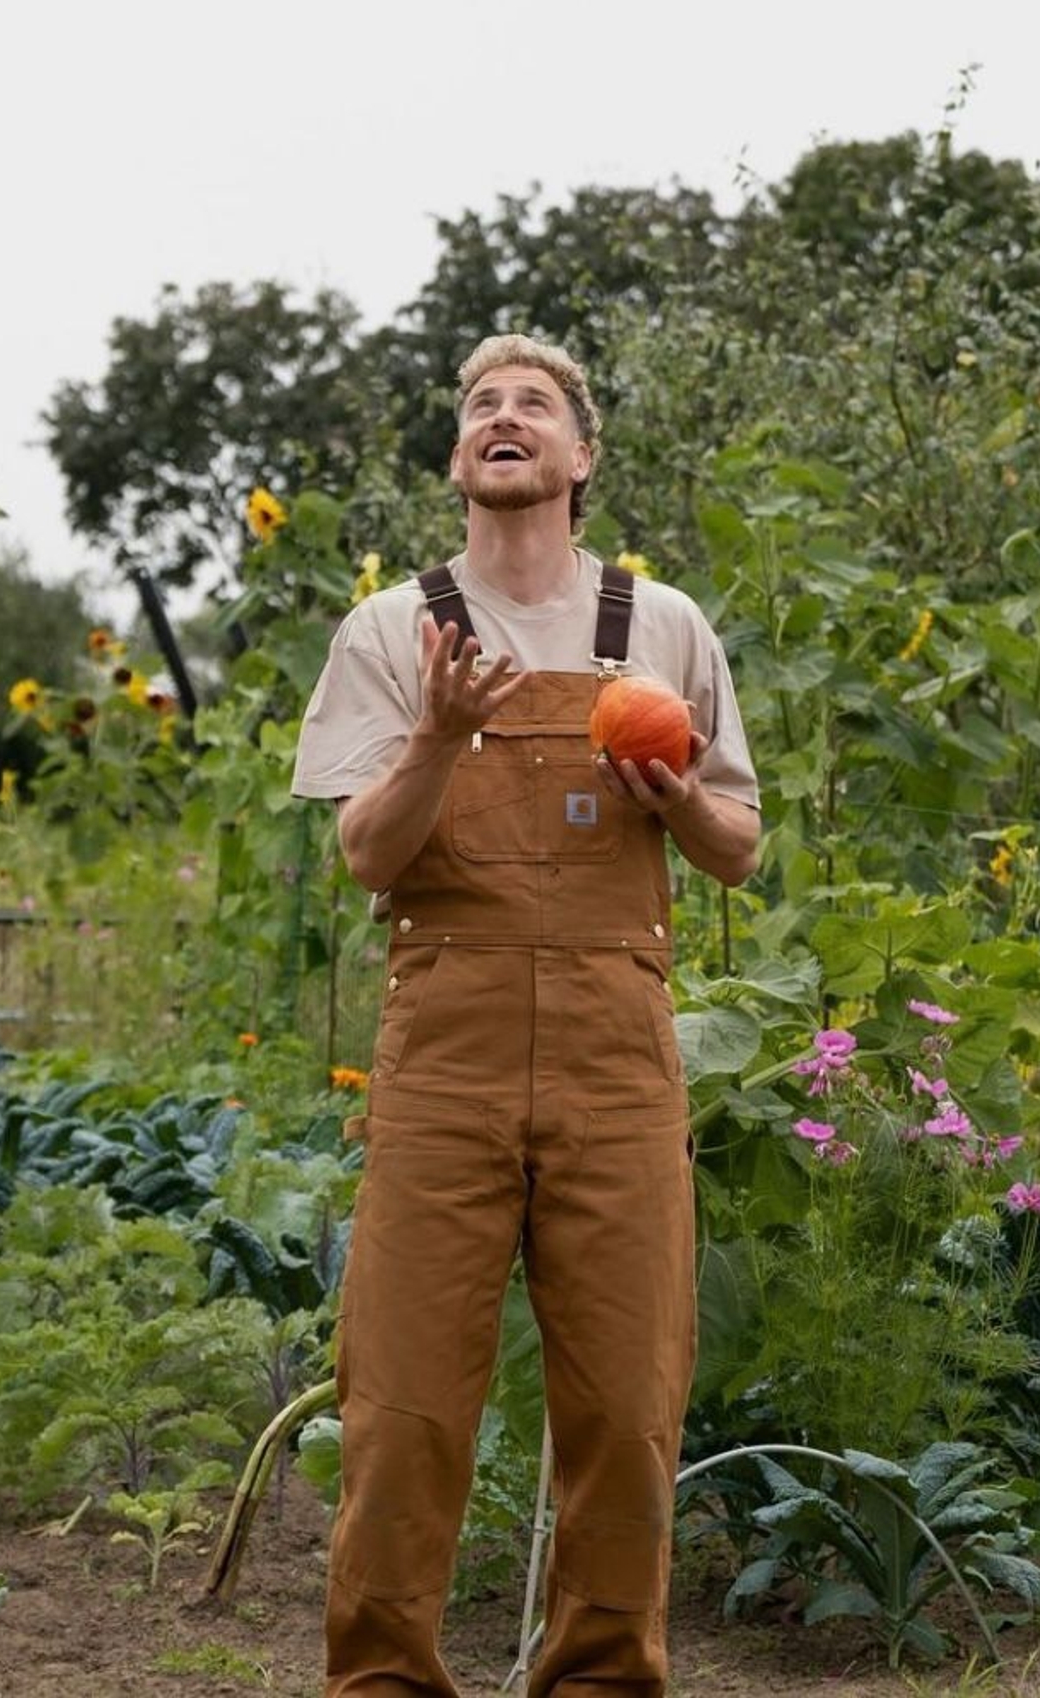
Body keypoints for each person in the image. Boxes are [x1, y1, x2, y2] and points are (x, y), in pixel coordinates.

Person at [291, 334, 760, 1696]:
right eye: (483, 407)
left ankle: (606, 1677)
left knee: (626, 1407)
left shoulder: (659, 627)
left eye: (535, 405)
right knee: (405, 1411)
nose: (506, 418)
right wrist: (439, 734)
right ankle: (381, 1682)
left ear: (580, 457)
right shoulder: (393, 631)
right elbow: (370, 856)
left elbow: (738, 849)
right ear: (459, 459)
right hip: (447, 1055)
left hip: (618, 1054)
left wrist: (678, 802)